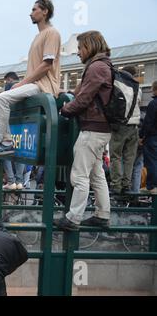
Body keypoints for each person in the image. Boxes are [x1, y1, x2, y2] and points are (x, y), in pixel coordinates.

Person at [54, 31, 113, 231]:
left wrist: (64, 110)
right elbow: (83, 92)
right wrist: (70, 94)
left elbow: (84, 99)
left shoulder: (96, 67)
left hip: (92, 130)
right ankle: (102, 215)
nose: (78, 52)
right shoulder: (104, 65)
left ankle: (73, 218)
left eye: (80, 48)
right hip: (103, 130)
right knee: (97, 175)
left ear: (89, 46)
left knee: (79, 176)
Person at [0, 0, 61, 157]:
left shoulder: (52, 33)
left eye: (34, 10)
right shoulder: (38, 36)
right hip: (35, 84)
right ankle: (4, 141)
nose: (31, 13)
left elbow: (47, 64)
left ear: (45, 11)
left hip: (43, 85)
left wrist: (21, 83)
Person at [109, 66, 142, 195]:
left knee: (116, 156)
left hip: (120, 125)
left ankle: (116, 185)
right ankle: (126, 185)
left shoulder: (119, 85)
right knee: (129, 158)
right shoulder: (137, 87)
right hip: (134, 126)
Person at [140, 81, 157, 194]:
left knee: (152, 162)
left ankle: (152, 186)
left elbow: (148, 123)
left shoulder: (153, 103)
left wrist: (142, 136)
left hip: (153, 137)